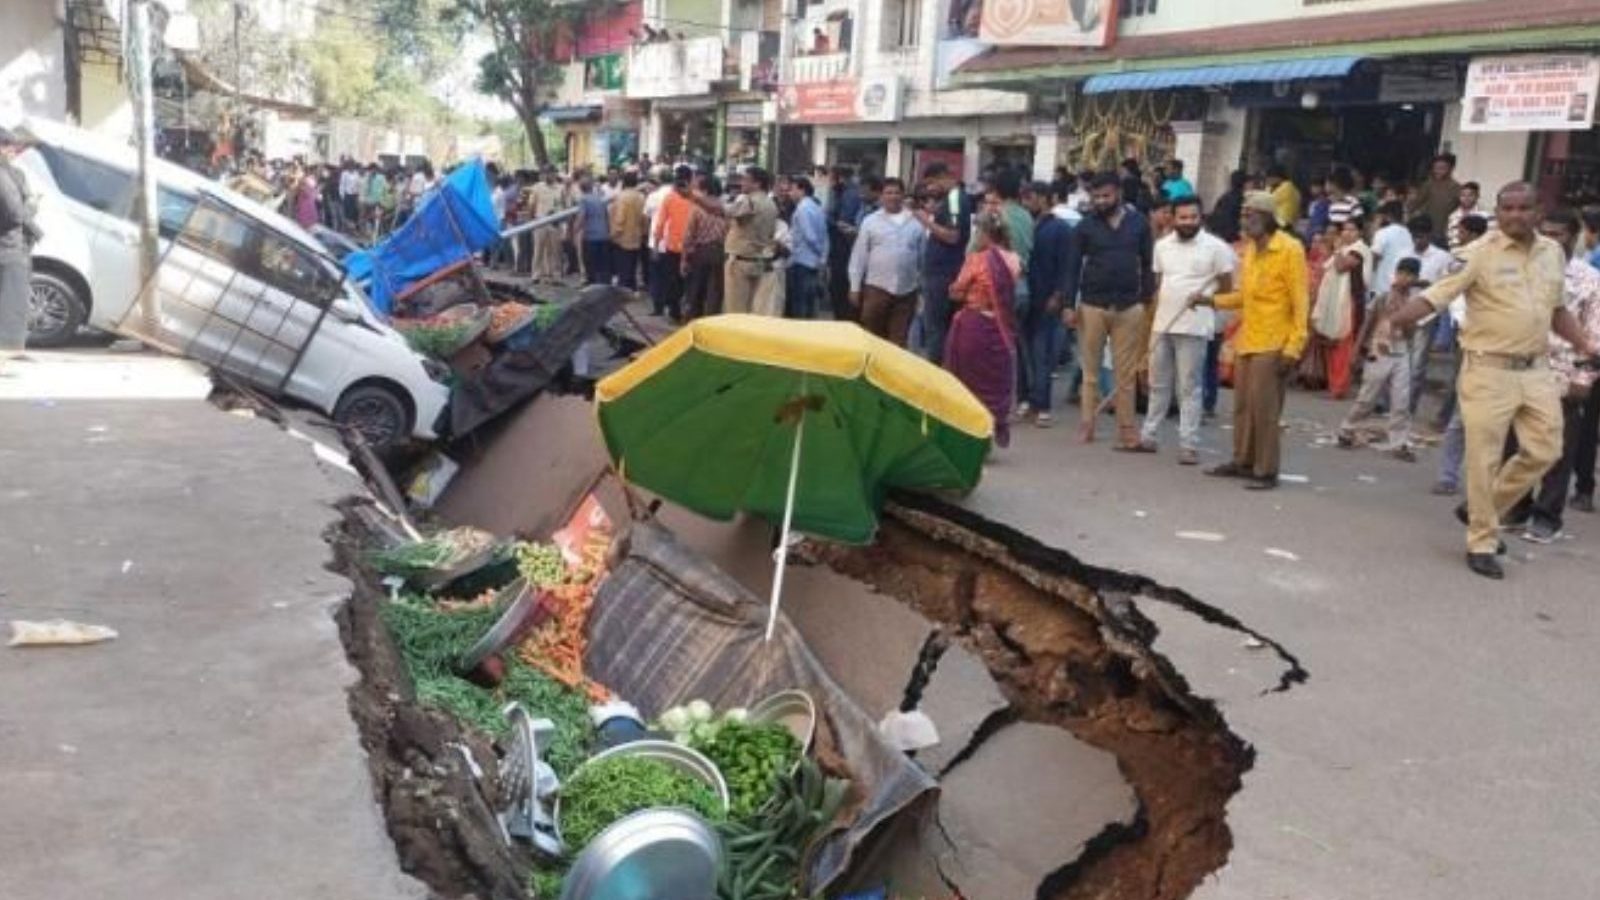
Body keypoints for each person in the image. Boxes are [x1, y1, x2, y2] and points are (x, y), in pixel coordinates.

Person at [1388, 182, 1599, 579]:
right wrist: (1396, 321)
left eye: (1524, 208)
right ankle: (1481, 540)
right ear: (1498, 213)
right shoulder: (1475, 254)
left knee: (1546, 450)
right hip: (1487, 369)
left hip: (1537, 368)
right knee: (1484, 460)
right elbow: (1436, 296)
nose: (1516, 215)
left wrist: (1585, 342)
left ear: (1539, 211)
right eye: (1508, 208)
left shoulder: (1552, 253)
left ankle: (1480, 509)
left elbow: (1557, 311)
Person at [1198, 191, 1309, 490]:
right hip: (1248, 338)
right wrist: (1210, 301)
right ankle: (1242, 461)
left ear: (1270, 216)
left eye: (1252, 214)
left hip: (1275, 341)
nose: (1246, 220)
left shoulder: (1290, 249)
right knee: (1242, 406)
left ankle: (1266, 470)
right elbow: (1243, 297)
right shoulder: (1249, 250)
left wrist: (1294, 347)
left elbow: (1301, 303)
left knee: (1265, 409)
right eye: (1244, 214)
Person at [1505, 208, 1600, 543]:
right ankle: (1515, 508)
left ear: (1573, 237)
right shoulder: (1526, 270)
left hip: (1562, 376)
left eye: (1558, 233)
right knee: (1514, 445)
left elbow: (1595, 332)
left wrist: (1584, 378)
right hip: (1520, 368)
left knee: (1556, 450)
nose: (1550, 239)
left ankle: (1547, 517)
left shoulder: (1589, 280)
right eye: (1545, 232)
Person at [1138, 196, 1235, 463]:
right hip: (1163, 323)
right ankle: (1149, 435)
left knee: (1189, 387)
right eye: (1183, 217)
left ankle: (1188, 444)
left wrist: (1205, 299)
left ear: (1200, 217)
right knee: (1158, 383)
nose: (1188, 222)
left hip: (1194, 326)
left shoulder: (1217, 248)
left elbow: (1226, 287)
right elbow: (1160, 284)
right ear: (1173, 218)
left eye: (1193, 217)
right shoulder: (1162, 247)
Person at [1061, 172, 1154, 448]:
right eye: (1096, 197)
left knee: (1124, 374)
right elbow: (1072, 266)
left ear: (1119, 194)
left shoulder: (1139, 224)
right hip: (1092, 305)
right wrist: (1068, 304)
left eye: (1106, 196)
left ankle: (1127, 429)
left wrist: (1146, 299)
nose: (1101, 201)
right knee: (1090, 371)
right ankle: (1087, 425)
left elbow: (1148, 263)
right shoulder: (1085, 227)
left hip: (1129, 306)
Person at [946, 212, 1022, 447]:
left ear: (984, 233)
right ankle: (989, 430)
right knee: (993, 381)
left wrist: (955, 290)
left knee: (970, 381)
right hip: (1000, 327)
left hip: (974, 325)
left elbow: (957, 291)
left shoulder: (976, 260)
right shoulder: (1014, 259)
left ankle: (970, 433)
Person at [1336, 257, 1422, 459]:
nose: (1405, 279)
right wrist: (1356, 352)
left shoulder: (1414, 303)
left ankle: (1399, 443)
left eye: (1410, 275)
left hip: (1401, 353)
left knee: (1401, 401)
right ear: (1396, 274)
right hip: (1378, 352)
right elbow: (1366, 325)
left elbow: (1411, 333)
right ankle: (1347, 429)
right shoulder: (1382, 298)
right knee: (1367, 397)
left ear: (1415, 278)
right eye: (1403, 274)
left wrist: (1404, 315)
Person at [848, 177, 927, 346]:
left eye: (897, 192)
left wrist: (921, 289)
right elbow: (859, 256)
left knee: (898, 341)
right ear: (881, 196)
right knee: (873, 338)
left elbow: (923, 258)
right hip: (877, 288)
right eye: (888, 193)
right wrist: (854, 287)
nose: (893, 197)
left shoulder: (916, 223)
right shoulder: (870, 222)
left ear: (903, 195)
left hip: (906, 291)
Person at [1018, 181, 1072, 427]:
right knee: (1022, 351)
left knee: (1042, 353)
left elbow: (1066, 266)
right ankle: (1024, 398)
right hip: (1024, 297)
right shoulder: (1025, 225)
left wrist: (1059, 295)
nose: (1025, 204)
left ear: (1042, 198)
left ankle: (1042, 404)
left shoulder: (1059, 228)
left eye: (1029, 199)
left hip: (1047, 298)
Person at [916, 162, 973, 361]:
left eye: (931, 184)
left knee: (936, 329)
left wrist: (925, 221)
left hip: (943, 273)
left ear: (942, 177)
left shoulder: (955, 198)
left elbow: (953, 235)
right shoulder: (950, 200)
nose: (930, 189)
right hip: (942, 272)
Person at [1401, 214, 1454, 414]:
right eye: (1415, 236)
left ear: (1429, 235)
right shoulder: (1404, 252)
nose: (1418, 240)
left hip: (1427, 316)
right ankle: (1397, 403)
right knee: (1399, 361)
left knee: (1417, 364)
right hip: (1404, 312)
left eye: (1421, 236)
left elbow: (1446, 285)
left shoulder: (1442, 257)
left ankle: (1409, 406)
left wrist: (1419, 283)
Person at [1317, 217, 1372, 400]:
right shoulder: (1345, 250)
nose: (1347, 233)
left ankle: (1340, 386)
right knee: (1333, 344)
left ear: (1360, 233)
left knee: (1344, 346)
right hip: (1336, 303)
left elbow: (1341, 267)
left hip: (1349, 303)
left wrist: (1338, 248)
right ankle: (1334, 384)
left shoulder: (1359, 251)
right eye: (1345, 230)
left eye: (1352, 230)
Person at [0, 127, 40, 371]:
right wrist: (32, 209)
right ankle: (4, 357)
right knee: (10, 307)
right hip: (9, 248)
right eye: (11, 147)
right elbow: (15, 214)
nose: (15, 151)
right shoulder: (4, 177)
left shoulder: (12, 173)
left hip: (10, 247)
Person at [719, 166, 780, 315]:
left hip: (741, 260)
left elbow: (724, 210)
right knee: (754, 309)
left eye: (745, 180)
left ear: (757, 184)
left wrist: (695, 198)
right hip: (758, 259)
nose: (741, 183)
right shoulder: (771, 204)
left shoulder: (751, 202)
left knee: (736, 309)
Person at [650, 166, 697, 320]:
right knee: (687, 282)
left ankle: (675, 310)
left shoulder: (671, 197)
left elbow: (660, 224)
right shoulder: (695, 197)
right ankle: (682, 310)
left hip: (675, 247)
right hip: (689, 247)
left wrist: (656, 247)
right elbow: (661, 223)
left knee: (673, 281)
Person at [786, 176, 827, 319]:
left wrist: (818, 250)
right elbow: (824, 236)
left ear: (802, 190)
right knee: (810, 304)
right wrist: (822, 257)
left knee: (800, 305)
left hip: (801, 261)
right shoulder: (817, 207)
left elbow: (810, 236)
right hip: (814, 262)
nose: (789, 193)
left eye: (792, 189)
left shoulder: (802, 209)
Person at [827, 166, 863, 320]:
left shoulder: (847, 194)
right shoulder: (849, 192)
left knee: (840, 288)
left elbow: (842, 220)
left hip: (843, 246)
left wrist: (830, 219)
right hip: (844, 246)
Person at [1407, 153, 1461, 246]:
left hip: (1446, 234)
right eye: (1435, 168)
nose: (1438, 171)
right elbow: (1414, 205)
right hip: (1427, 232)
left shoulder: (1457, 188)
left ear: (1451, 169)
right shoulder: (1428, 185)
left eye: (1442, 168)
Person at [529, 167, 568, 283]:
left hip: (555, 222)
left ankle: (556, 276)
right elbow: (532, 205)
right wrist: (533, 220)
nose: (548, 176)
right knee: (538, 249)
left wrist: (560, 217)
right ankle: (536, 275)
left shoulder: (561, 188)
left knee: (556, 250)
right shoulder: (537, 187)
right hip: (540, 221)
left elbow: (564, 204)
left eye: (550, 173)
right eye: (545, 173)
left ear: (555, 174)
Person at [609, 171, 647, 291]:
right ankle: (633, 289)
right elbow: (644, 217)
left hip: (623, 239)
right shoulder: (641, 197)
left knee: (623, 268)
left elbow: (620, 219)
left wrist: (614, 234)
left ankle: (623, 292)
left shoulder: (621, 197)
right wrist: (644, 232)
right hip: (637, 237)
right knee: (633, 266)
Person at [1369, 200, 1412, 297]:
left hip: (1382, 288)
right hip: (1401, 287)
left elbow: (1374, 258)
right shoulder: (1409, 234)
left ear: (1387, 216)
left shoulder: (1382, 233)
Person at [576, 175, 611, 285]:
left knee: (591, 265)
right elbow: (606, 215)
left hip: (591, 237)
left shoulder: (583, 199)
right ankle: (604, 285)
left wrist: (575, 230)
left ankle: (593, 285)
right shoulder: (600, 199)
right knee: (603, 265)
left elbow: (581, 217)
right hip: (603, 235)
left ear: (581, 188)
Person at [1447, 181, 1493, 249]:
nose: (1466, 198)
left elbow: (1491, 237)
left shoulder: (1486, 216)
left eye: (1470, 195)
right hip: (1456, 253)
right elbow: (1450, 237)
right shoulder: (1453, 216)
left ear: (1477, 196)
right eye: (1463, 195)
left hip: (1478, 253)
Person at [1208, 170, 1247, 244]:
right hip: (1233, 239)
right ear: (1245, 184)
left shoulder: (1224, 197)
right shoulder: (1243, 200)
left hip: (1218, 236)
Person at [1266, 165, 1301, 230]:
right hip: (1280, 224)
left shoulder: (1287, 187)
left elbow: (1268, 200)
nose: (1268, 180)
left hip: (1285, 224)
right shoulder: (1275, 187)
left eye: (1270, 178)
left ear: (1278, 177)